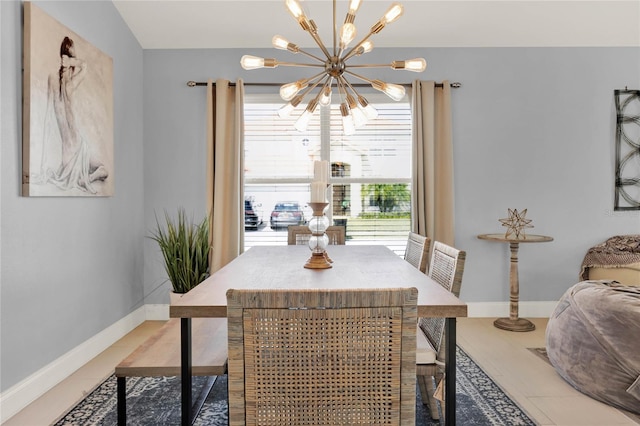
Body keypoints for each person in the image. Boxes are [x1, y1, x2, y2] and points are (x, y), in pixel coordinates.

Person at [37, 36, 108, 193]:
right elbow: (85, 65)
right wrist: (73, 62)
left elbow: (47, 122)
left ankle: (86, 179)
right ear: (70, 62)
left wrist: (42, 165)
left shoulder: (55, 81)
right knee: (103, 170)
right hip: (79, 149)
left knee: (102, 169)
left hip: (67, 156)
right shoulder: (71, 85)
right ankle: (87, 179)